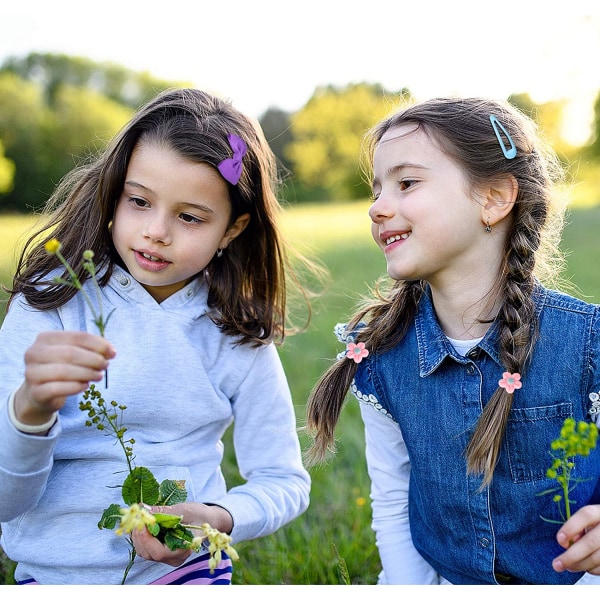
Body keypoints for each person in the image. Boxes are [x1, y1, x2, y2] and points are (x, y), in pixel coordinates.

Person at [0, 88, 315, 585]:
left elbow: (283, 481)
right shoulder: (51, 305)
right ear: (113, 194)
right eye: (139, 201)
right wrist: (30, 411)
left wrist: (216, 517)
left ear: (232, 230)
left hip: (182, 573)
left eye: (190, 216)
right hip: (52, 575)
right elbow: (5, 500)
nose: (156, 231)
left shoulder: (235, 333)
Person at [305, 97, 600, 585]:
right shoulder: (382, 357)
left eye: (406, 183)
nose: (378, 207)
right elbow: (394, 501)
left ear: (493, 199)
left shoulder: (586, 343)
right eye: (376, 190)